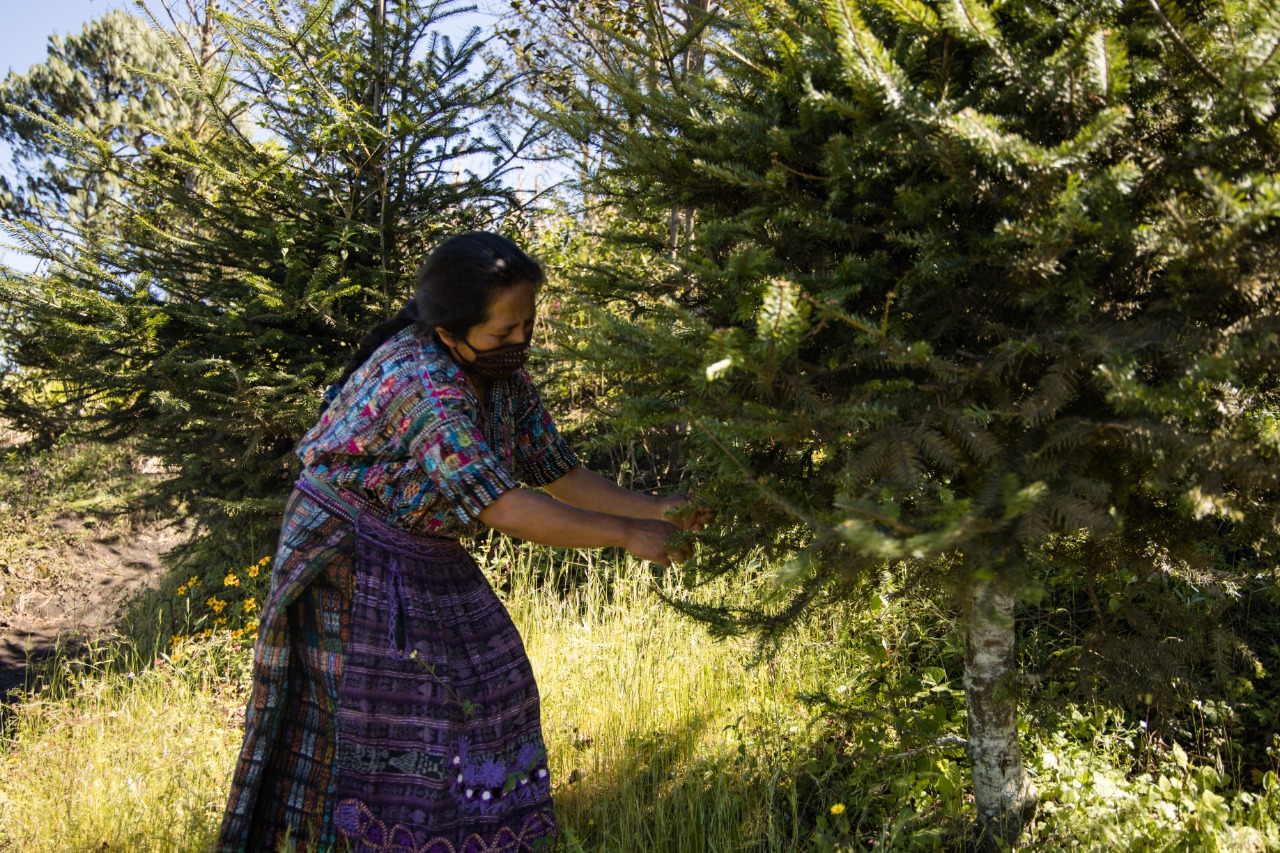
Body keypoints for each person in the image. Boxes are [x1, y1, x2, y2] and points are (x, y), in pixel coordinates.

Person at [217, 231, 708, 853]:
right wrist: (626, 535)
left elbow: (557, 471)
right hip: (349, 554)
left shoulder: (500, 376)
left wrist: (652, 508)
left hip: (423, 547)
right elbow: (502, 504)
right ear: (450, 332)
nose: (520, 343)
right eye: (504, 332)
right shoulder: (422, 382)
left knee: (496, 689)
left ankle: (472, 837)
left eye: (527, 325)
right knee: (390, 717)